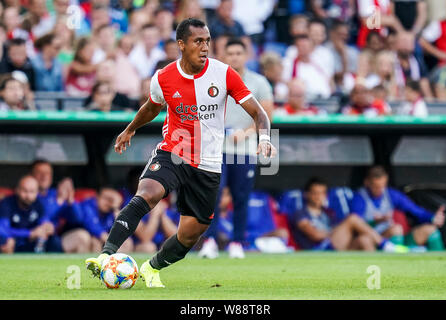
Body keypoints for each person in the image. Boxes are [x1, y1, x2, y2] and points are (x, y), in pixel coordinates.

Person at [85, 18, 276, 288]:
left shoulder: (223, 74)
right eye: (198, 41)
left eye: (207, 41)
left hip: (208, 162)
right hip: (173, 152)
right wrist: (130, 129)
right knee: (148, 193)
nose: (205, 47)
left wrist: (265, 138)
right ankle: (105, 257)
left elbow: (259, 112)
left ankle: (152, 267)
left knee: (191, 233)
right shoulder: (163, 77)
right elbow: (151, 108)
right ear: (181, 44)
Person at [199, 38, 274, 259]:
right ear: (223, 56)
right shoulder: (213, 80)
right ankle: (210, 241)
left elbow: (266, 114)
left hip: (245, 149)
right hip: (216, 149)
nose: (234, 57)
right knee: (213, 193)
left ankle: (237, 242)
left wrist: (247, 133)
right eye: (229, 53)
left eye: (238, 53)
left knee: (241, 196)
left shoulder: (259, 82)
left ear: (246, 56)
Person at [292, 177, 404, 252]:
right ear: (307, 194)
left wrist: (342, 231)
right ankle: (385, 245)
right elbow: (315, 235)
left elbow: (338, 229)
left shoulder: (328, 212)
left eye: (322, 193)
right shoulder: (300, 213)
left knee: (364, 239)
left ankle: (376, 273)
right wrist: (339, 230)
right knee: (352, 219)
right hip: (320, 249)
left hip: (337, 245)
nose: (318, 197)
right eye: (315, 193)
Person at [350, 166, 446, 250]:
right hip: (373, 240)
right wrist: (375, 222)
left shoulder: (391, 194)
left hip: (393, 239)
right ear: (367, 183)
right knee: (396, 229)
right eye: (376, 187)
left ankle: (440, 264)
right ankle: (395, 261)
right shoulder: (359, 198)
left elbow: (414, 210)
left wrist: (432, 218)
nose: (380, 190)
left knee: (431, 230)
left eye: (382, 186)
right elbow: (355, 226)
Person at [0, 175, 61, 253]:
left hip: (30, 242)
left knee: (54, 241)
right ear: (17, 190)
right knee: (4, 240)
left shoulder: (38, 204)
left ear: (37, 192)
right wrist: (29, 233)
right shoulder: (7, 203)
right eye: (25, 191)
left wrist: (47, 227)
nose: (28, 195)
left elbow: (44, 221)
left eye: (32, 191)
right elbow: (3, 229)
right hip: (13, 241)